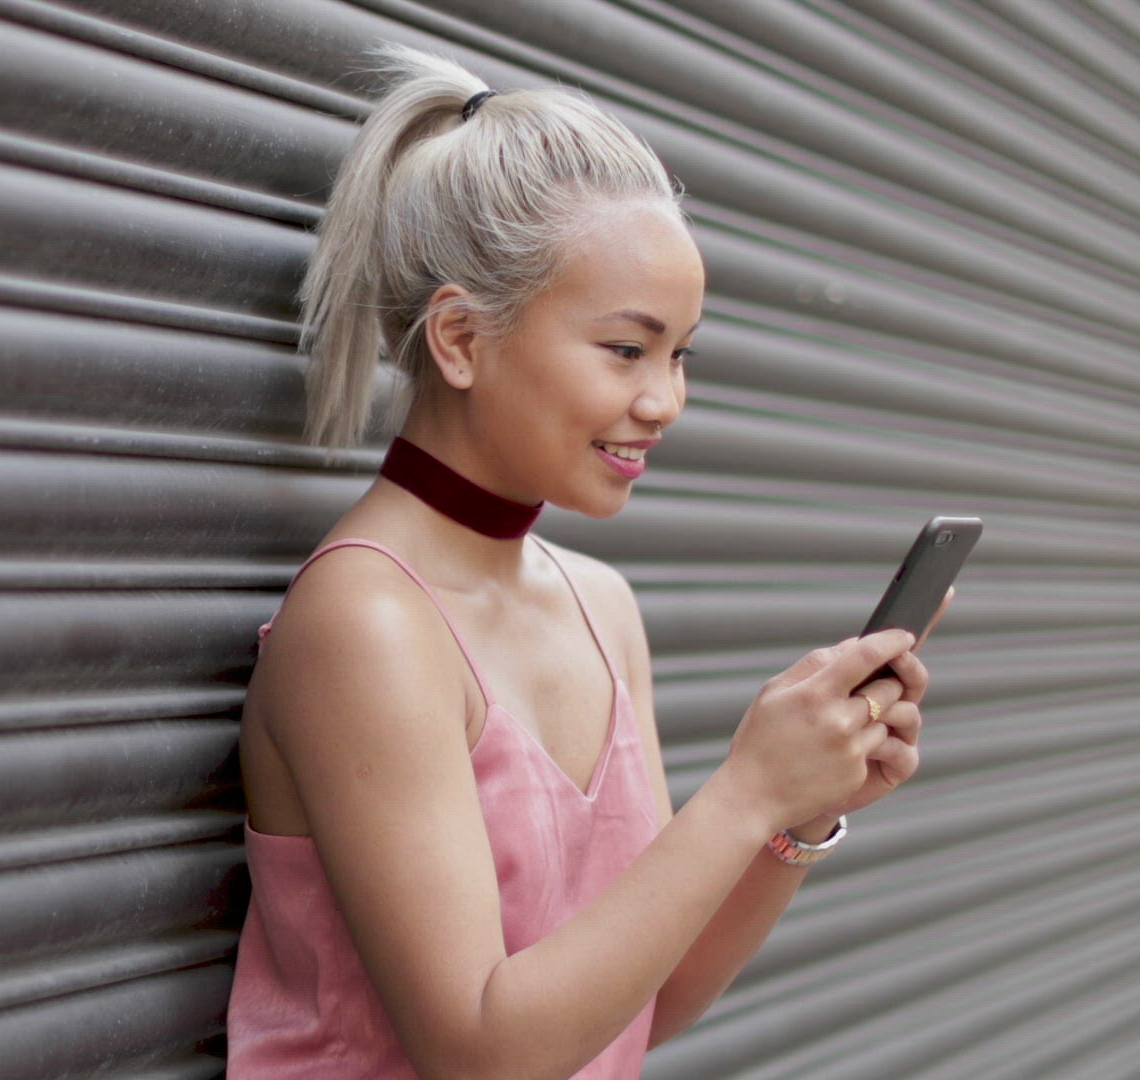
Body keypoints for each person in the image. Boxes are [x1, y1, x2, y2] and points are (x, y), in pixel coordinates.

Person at [226, 45, 953, 1079]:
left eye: (680, 354)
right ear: (459, 338)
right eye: (625, 349)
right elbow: (481, 1052)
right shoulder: (367, 621)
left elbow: (643, 1007)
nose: (665, 400)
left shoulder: (600, 605)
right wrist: (744, 792)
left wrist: (797, 811)